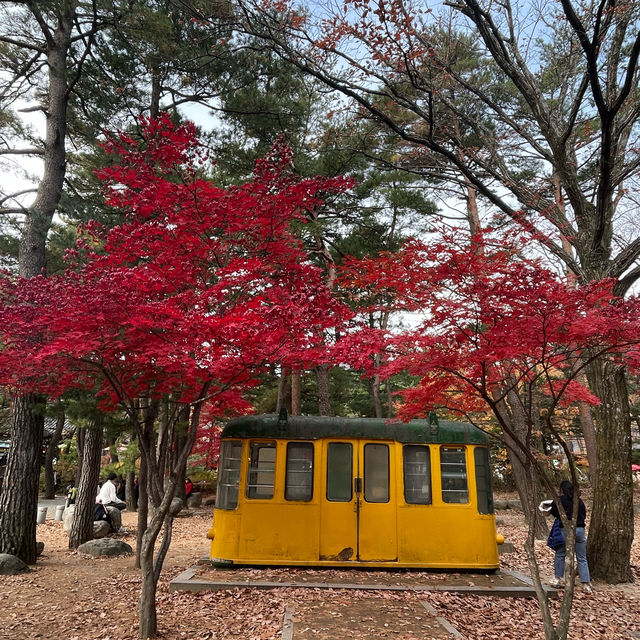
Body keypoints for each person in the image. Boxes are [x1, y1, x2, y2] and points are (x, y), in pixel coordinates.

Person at [546, 480, 592, 593]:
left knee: (561, 553)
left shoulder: (560, 500)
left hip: (565, 530)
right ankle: (586, 584)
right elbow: (584, 515)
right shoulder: (579, 501)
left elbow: (554, 512)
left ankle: (558, 579)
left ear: (561, 490)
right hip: (580, 530)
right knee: (582, 558)